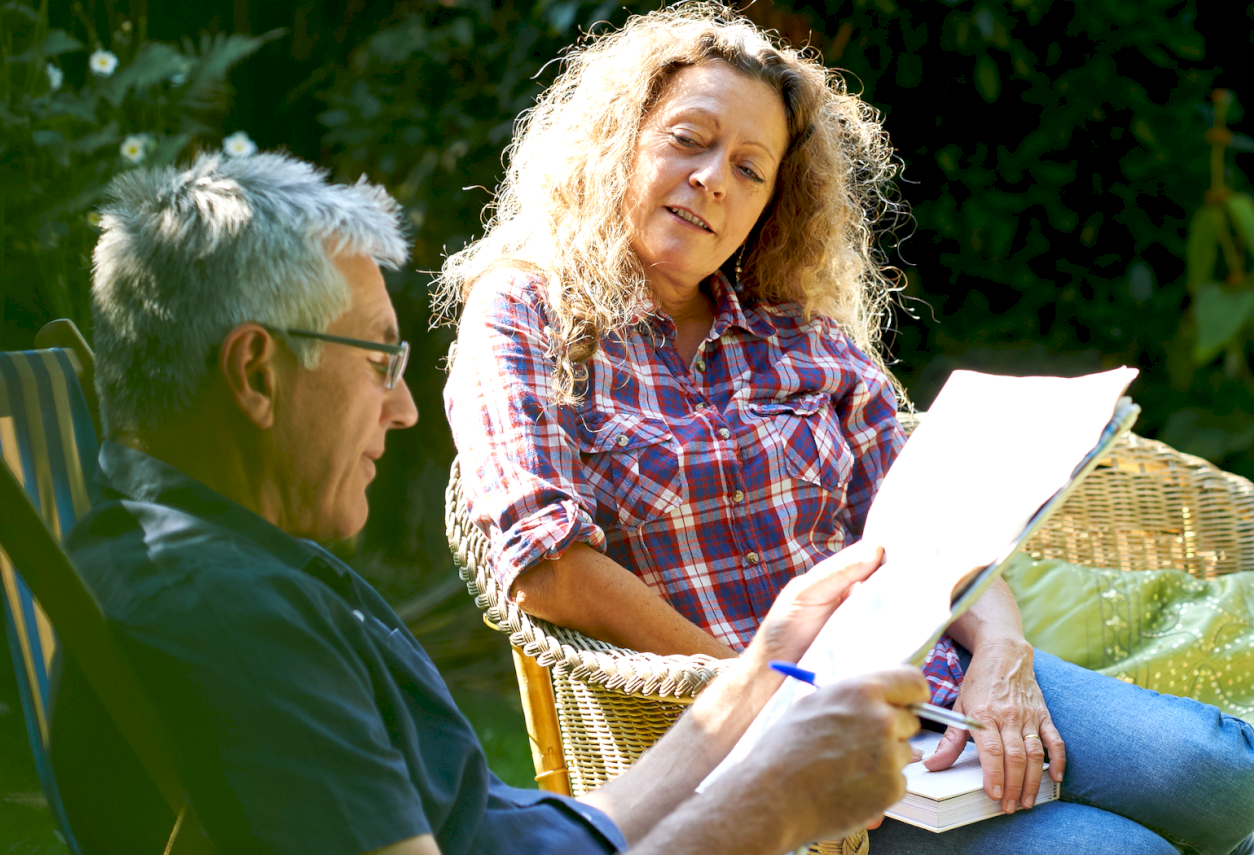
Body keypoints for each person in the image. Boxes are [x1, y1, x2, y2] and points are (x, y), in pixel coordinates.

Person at [440, 0, 1254, 855]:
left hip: (926, 676)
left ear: (771, 202)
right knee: (1115, 853)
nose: (713, 179)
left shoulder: (798, 330)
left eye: (750, 168)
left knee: (1222, 772)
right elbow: (547, 568)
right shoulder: (526, 312)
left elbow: (939, 525)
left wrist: (1003, 657)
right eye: (688, 140)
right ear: (619, 139)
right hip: (743, 726)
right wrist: (762, 693)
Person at [48, 151, 928, 855]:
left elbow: (539, 832)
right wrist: (774, 807)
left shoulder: (230, 561)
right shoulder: (229, 618)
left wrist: (758, 674)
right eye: (378, 361)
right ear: (256, 373)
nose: (401, 410)